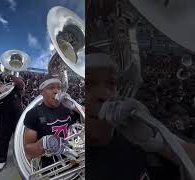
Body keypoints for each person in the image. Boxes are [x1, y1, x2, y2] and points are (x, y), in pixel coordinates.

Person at [87, 51, 195, 180]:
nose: (103, 95)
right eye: (87, 84)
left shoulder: (143, 129)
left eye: (111, 83)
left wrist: (158, 142)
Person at [23, 75, 83, 169]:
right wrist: (44, 144)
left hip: (76, 162)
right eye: (51, 88)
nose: (56, 91)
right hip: (51, 168)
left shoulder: (68, 109)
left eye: (59, 88)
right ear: (41, 92)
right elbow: (28, 151)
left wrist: (76, 106)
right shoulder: (33, 113)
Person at [0, 73, 25, 174]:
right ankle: (1, 159)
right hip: (3, 118)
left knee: (19, 138)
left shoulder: (16, 85)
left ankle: (21, 157)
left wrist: (11, 76)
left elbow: (21, 85)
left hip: (17, 117)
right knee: (3, 139)